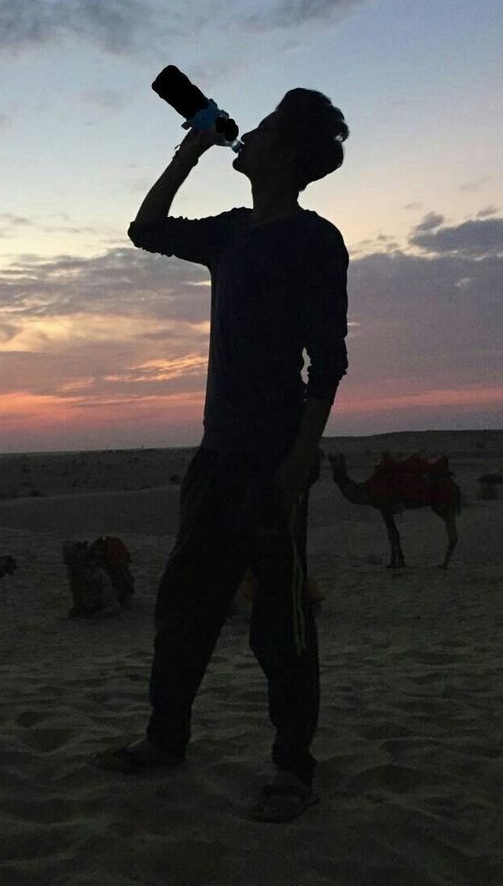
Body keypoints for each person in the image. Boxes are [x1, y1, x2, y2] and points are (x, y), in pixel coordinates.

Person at [92, 88, 350, 823]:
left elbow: (327, 360)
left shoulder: (313, 240)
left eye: (264, 127)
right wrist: (191, 148)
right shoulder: (233, 232)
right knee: (184, 606)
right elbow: (145, 229)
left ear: (289, 153)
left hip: (274, 458)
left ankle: (292, 770)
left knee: (280, 625)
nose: (252, 131)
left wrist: (303, 456)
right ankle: (165, 740)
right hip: (218, 454)